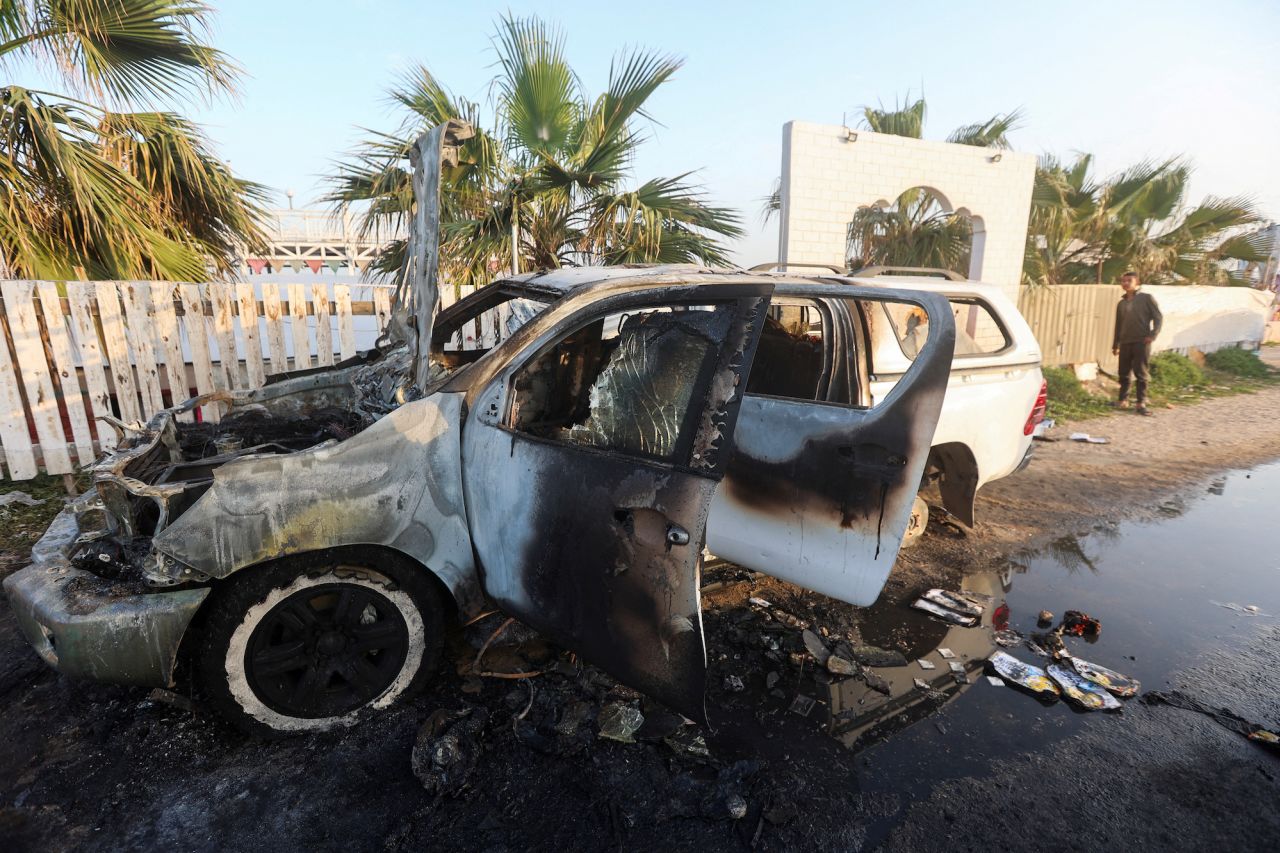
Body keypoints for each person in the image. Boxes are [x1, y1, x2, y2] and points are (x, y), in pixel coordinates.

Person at [1111, 271, 1162, 415]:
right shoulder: (1121, 303)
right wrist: (1116, 344)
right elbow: (1118, 325)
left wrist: (1152, 335)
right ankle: (1123, 400)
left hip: (1141, 341)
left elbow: (1158, 317)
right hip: (1126, 341)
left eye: (1129, 280)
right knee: (1123, 373)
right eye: (1123, 281)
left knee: (1141, 373)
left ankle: (1141, 403)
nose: (1125, 283)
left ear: (1137, 283)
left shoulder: (1146, 298)